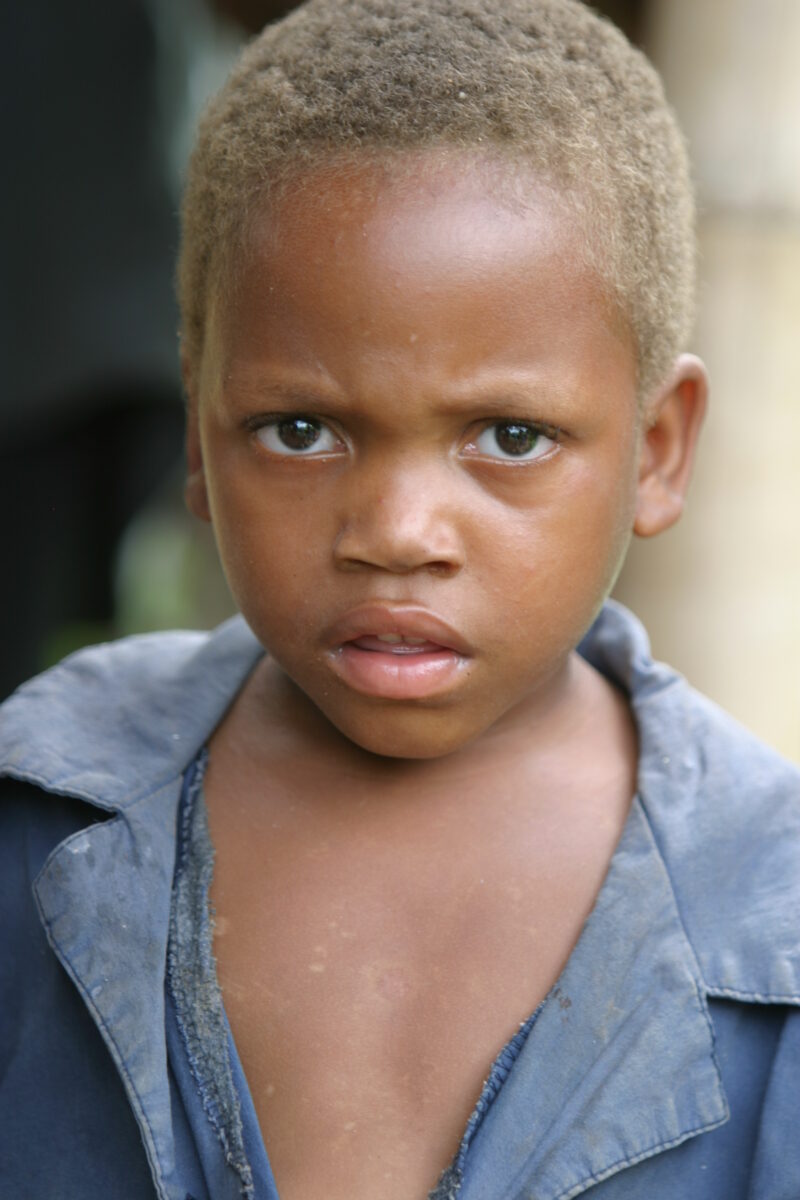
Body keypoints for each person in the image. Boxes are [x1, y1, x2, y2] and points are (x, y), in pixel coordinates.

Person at [1, 1, 798, 1197]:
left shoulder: (768, 923)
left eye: (509, 437)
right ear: (197, 435)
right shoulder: (41, 820)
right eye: (301, 429)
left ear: (657, 449)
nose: (395, 535)